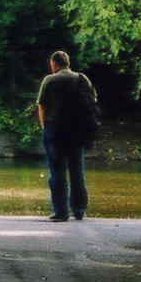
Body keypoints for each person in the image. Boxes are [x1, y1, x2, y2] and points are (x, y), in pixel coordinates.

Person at [36, 49, 98, 222]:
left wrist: (44, 127)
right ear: (68, 63)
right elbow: (93, 100)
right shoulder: (81, 78)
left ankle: (61, 212)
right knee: (77, 170)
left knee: (57, 171)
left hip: (55, 129)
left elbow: (41, 105)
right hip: (77, 130)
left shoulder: (50, 80)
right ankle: (79, 210)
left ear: (54, 63)